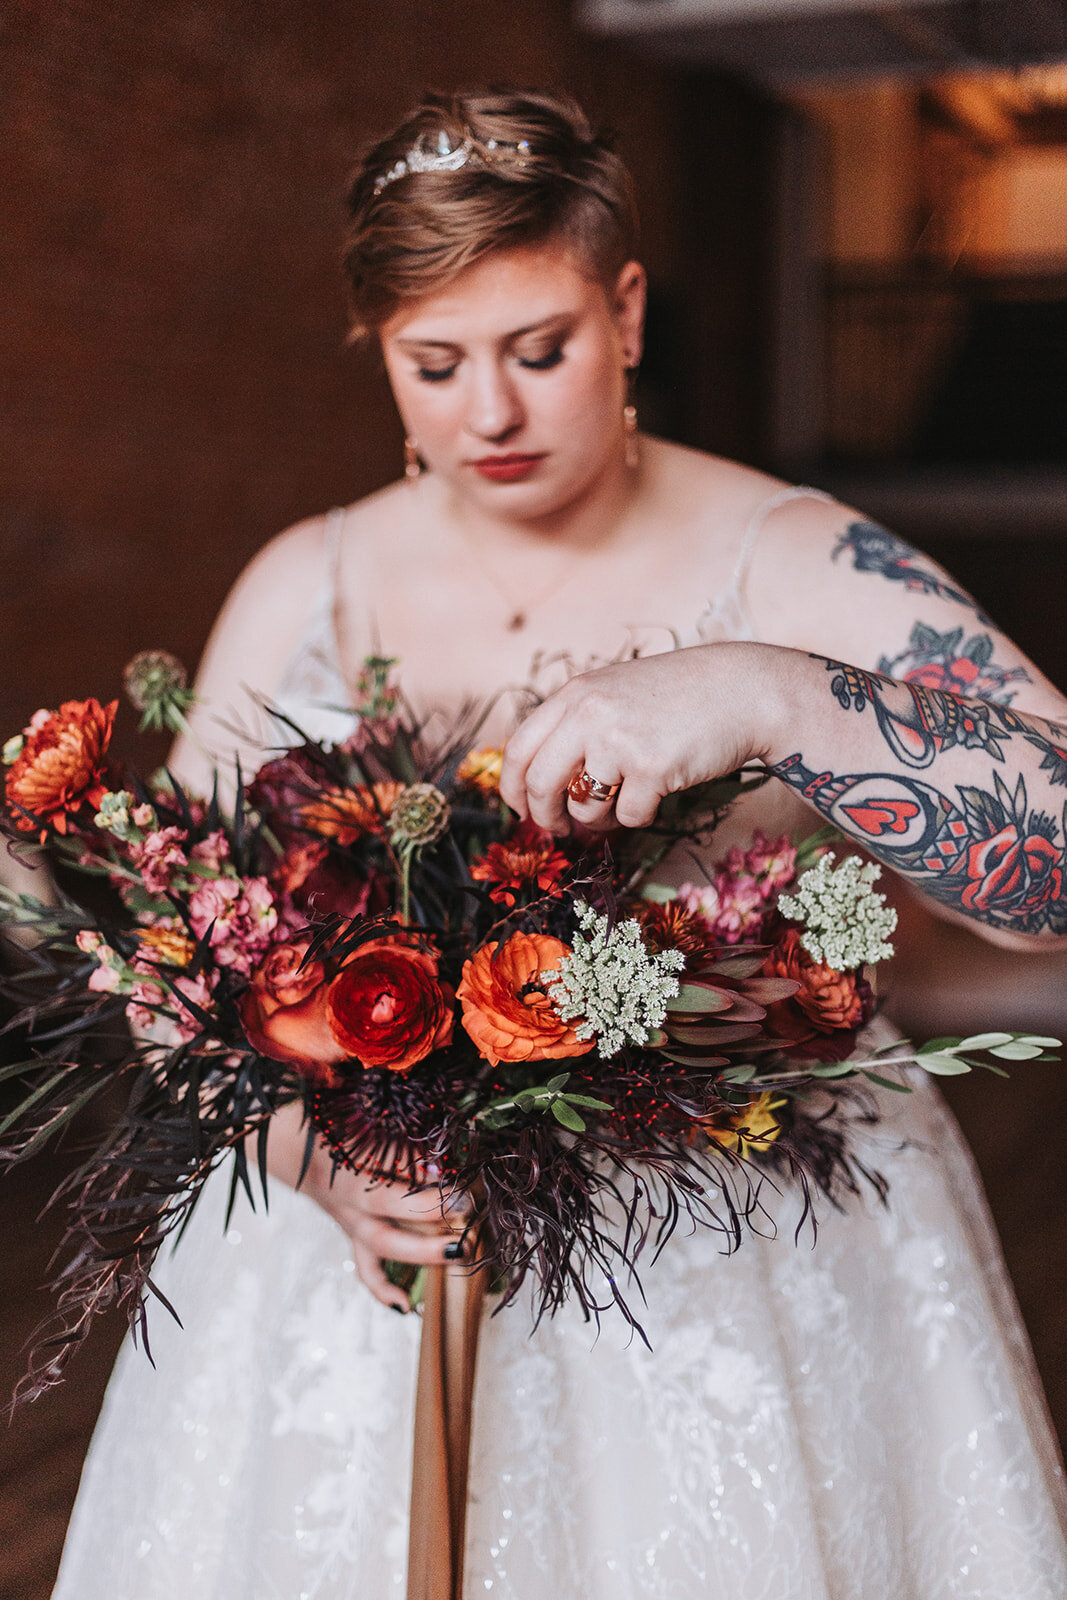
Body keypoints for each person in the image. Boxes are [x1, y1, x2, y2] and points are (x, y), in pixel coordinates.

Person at [51, 89, 1067, 1598]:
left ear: (630, 310)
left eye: (543, 349)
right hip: (361, 1278)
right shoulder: (305, 585)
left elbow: (1053, 871)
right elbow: (181, 967)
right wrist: (303, 1152)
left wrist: (776, 689)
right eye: (434, 365)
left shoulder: (793, 558)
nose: (493, 415)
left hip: (731, 1263)